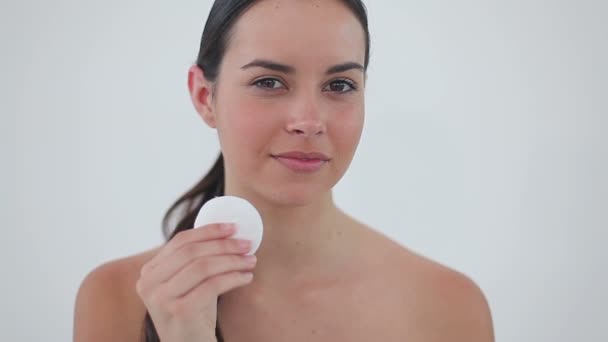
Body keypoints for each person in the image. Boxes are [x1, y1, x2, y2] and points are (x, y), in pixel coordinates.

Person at [73, 0, 495, 341]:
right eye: (269, 82)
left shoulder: (448, 307)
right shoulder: (117, 301)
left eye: (339, 85)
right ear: (205, 97)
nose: (309, 120)